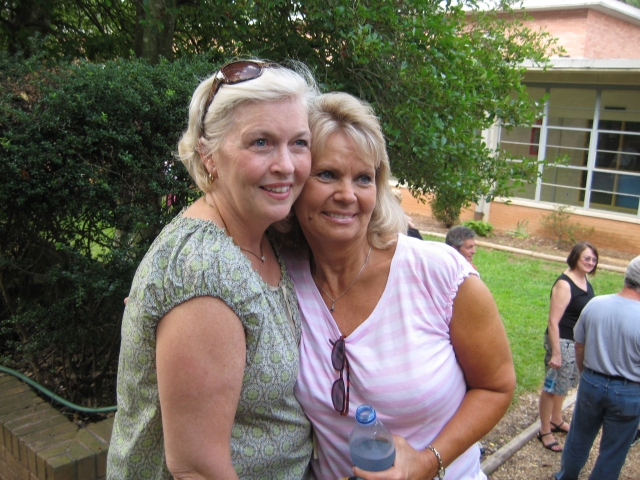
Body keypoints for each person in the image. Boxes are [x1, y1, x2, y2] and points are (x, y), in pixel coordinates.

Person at [280, 92, 516, 479]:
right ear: (297, 181)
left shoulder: (439, 273)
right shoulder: (282, 279)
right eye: (327, 174)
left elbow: (497, 388)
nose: (347, 195)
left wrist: (426, 463)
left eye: (363, 178)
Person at [107, 60, 318, 479]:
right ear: (208, 156)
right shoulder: (204, 273)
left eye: (299, 142)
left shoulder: (264, 233)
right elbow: (197, 469)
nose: (287, 165)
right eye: (261, 143)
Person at [553, 255, 640, 480]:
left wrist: (587, 375)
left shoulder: (596, 304)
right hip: (629, 391)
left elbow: (579, 345)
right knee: (613, 452)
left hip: (592, 381)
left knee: (578, 438)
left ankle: (565, 476)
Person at [538, 241, 598, 452]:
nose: (590, 262)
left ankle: (556, 418)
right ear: (575, 258)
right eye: (586, 258)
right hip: (561, 341)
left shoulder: (583, 279)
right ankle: (544, 430)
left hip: (575, 343)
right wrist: (556, 352)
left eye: (593, 259)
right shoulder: (565, 284)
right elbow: (553, 321)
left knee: (564, 384)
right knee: (552, 386)